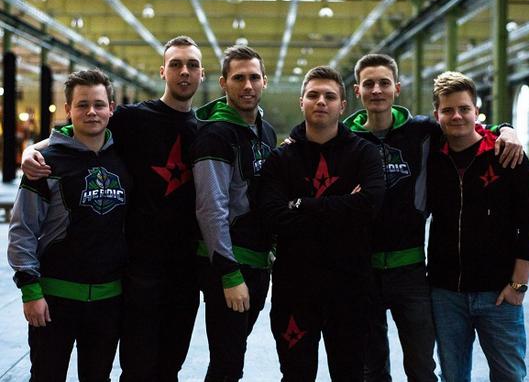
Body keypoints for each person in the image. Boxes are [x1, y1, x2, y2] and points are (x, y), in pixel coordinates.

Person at [21, 35, 204, 381]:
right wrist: (32, 150)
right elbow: (81, 127)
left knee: (170, 367)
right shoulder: (134, 118)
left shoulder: (206, 130)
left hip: (184, 272)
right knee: (136, 368)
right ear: (162, 71)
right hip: (137, 271)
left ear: (202, 74)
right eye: (176, 64)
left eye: (192, 65)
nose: (184, 71)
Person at [341, 53, 523, 382]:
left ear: (396, 88)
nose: (377, 90)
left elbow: (465, 124)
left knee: (422, 367)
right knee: (371, 367)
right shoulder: (344, 139)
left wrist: (506, 129)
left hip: (410, 272)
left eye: (384, 83)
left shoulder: (422, 131)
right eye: (369, 84)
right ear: (357, 91)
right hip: (361, 271)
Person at [260, 66, 385, 381]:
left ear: (342, 106)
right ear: (301, 101)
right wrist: (344, 208)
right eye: (313, 95)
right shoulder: (280, 159)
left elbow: (368, 207)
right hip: (294, 291)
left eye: (329, 96)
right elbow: (274, 216)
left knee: (350, 374)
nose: (321, 102)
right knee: (296, 375)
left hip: (351, 290)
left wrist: (301, 205)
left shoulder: (365, 154)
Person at [8, 69, 131, 381]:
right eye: (82, 104)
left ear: (111, 108)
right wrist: (30, 291)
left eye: (99, 104)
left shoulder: (126, 158)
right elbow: (22, 229)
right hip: (54, 300)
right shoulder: (44, 163)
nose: (91, 112)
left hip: (108, 301)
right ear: (68, 109)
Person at [427, 71, 529, 381]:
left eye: (464, 108)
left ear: (477, 112)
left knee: (509, 375)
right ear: (436, 115)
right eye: (448, 110)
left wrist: (518, 285)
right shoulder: (431, 157)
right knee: (453, 376)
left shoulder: (507, 155)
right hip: (446, 294)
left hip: (499, 292)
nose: (456, 116)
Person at [191, 45, 276, 382]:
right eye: (239, 78)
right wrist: (228, 273)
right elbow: (211, 208)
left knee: (232, 356)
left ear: (265, 81)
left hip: (258, 262)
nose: (248, 85)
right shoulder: (215, 134)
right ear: (224, 83)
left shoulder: (266, 132)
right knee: (227, 364)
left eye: (254, 77)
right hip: (229, 265)